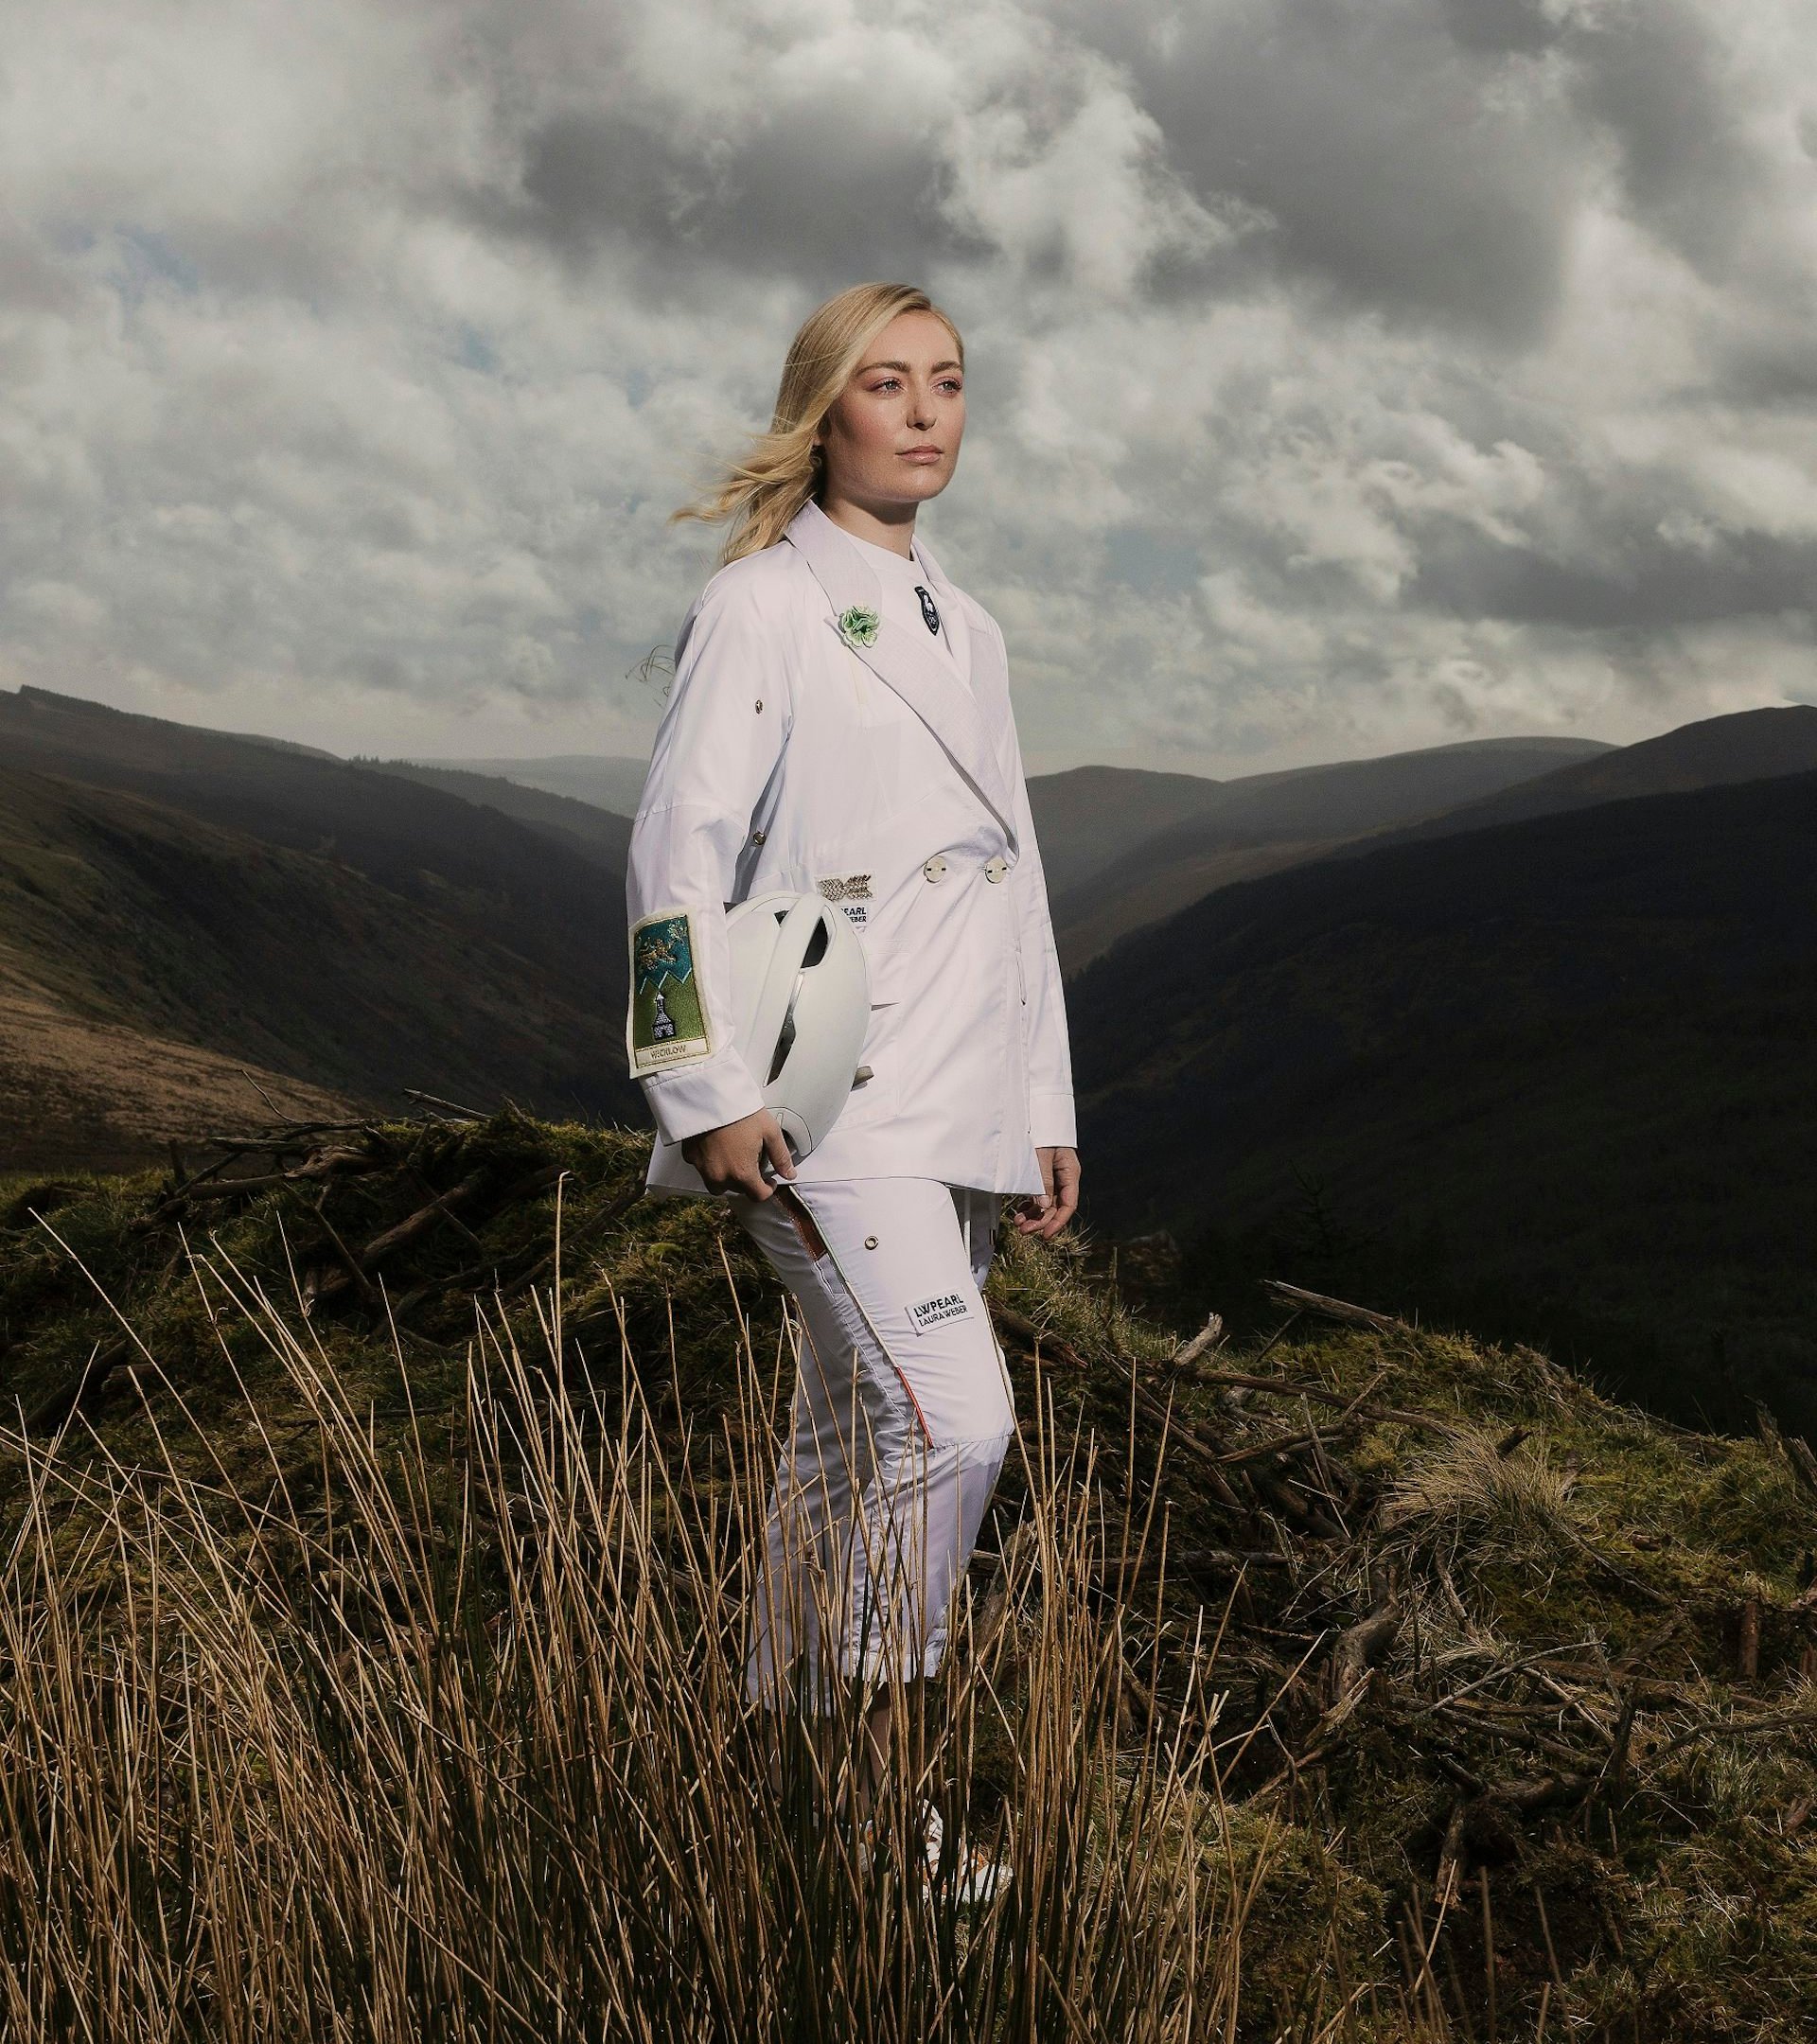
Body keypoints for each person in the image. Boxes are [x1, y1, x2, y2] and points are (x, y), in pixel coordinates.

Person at [624, 280, 1080, 1886]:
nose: (926, 412)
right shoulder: (759, 604)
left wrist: (1044, 1104)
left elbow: (1013, 874)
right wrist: (705, 1089)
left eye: (948, 382)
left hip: (954, 1097)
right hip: (817, 1089)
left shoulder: (975, 623)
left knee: (843, 1450)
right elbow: (671, 858)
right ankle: (885, 1815)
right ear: (824, 412)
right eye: (887, 385)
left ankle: (775, 1779)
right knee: (955, 1431)